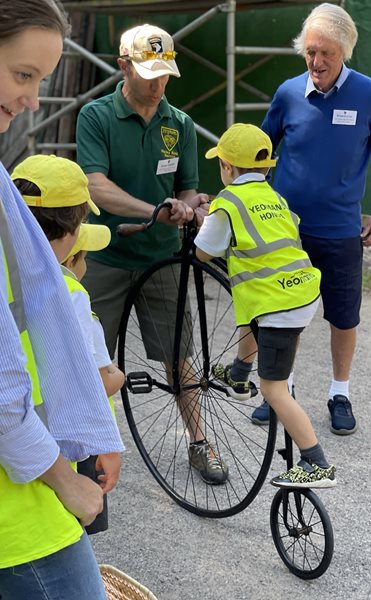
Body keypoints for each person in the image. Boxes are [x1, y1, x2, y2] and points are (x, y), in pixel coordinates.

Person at [0, 2, 124, 598]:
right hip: (20, 511)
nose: (32, 100)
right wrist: (66, 480)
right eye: (22, 75)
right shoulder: (70, 291)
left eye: (42, 81)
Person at [76, 23, 228, 485]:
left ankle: (199, 442)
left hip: (161, 257)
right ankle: (85, 450)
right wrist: (154, 210)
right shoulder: (96, 116)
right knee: (90, 357)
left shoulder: (179, 124)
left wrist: (191, 205)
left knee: (179, 355)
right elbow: (95, 185)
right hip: (105, 256)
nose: (158, 83)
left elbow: (185, 187)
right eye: (148, 73)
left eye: (164, 73)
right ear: (123, 66)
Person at [253, 2, 371, 433]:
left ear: (345, 52)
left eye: (327, 53)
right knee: (282, 315)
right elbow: (261, 153)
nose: (317, 62)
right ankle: (281, 390)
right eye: (310, 52)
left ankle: (340, 393)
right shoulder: (287, 94)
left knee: (343, 317)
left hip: (340, 232)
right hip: (286, 232)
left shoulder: (369, 94)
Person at [195, 123, 336, 489]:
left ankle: (316, 462)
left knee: (274, 389)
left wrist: (207, 220)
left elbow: (204, 252)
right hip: (301, 291)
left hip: (279, 305)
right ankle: (239, 372)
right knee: (250, 316)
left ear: (227, 167)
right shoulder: (274, 197)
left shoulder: (227, 202)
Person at [12, 153, 125, 536]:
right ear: (72, 234)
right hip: (54, 445)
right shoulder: (69, 294)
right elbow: (92, 378)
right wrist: (108, 440)